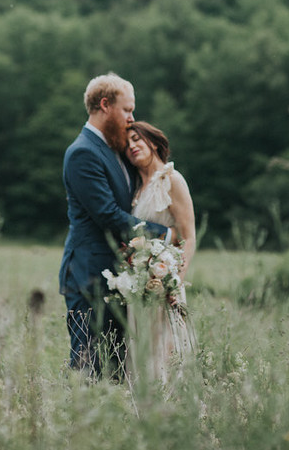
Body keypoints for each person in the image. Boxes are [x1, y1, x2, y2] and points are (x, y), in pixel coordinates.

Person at [58, 73, 168, 377]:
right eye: (127, 110)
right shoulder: (82, 153)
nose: (132, 118)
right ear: (105, 105)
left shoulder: (116, 149)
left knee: (117, 368)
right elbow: (107, 215)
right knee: (89, 368)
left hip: (118, 278)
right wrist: (165, 234)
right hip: (88, 276)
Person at [126, 120, 196, 382]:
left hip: (165, 287)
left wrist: (174, 284)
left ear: (153, 143)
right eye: (127, 145)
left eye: (136, 139)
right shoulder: (136, 189)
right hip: (140, 289)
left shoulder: (172, 179)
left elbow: (188, 237)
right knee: (143, 357)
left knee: (166, 357)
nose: (132, 146)